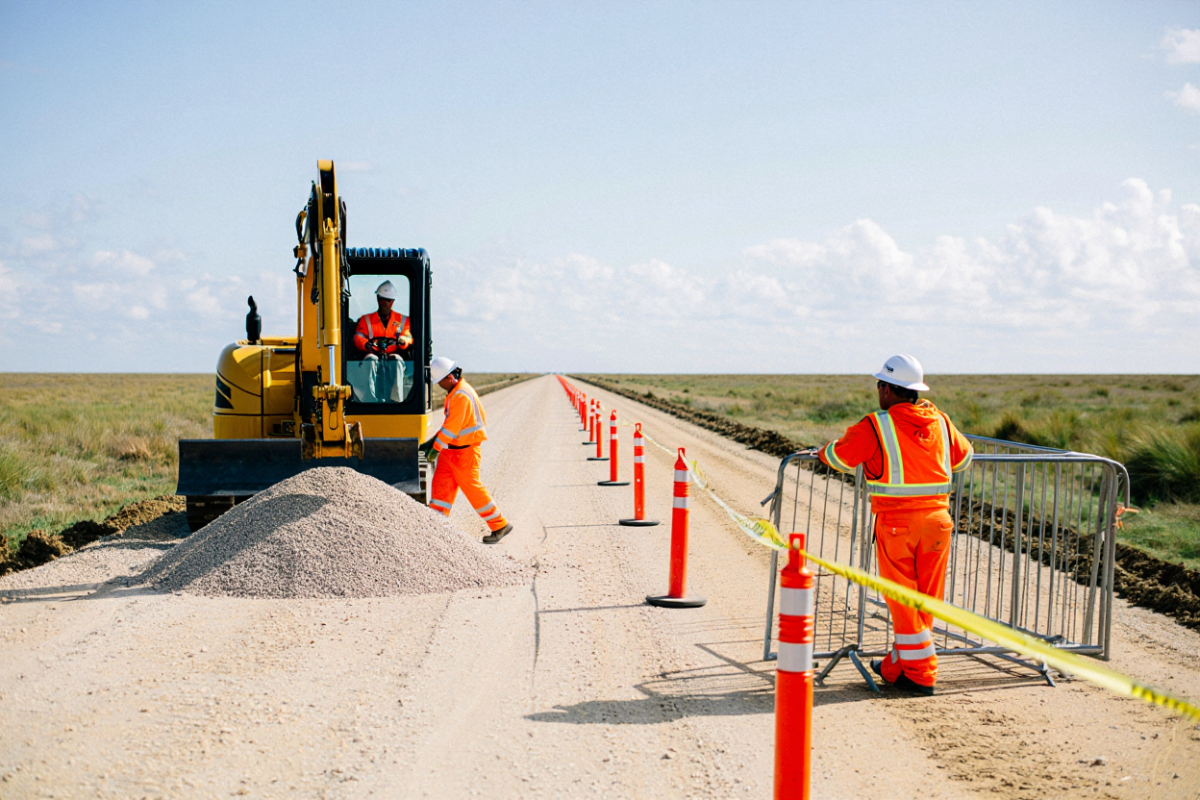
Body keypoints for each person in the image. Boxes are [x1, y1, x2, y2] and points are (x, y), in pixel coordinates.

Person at [817, 354, 973, 695]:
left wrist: (821, 451)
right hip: (938, 522)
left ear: (888, 389)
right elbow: (964, 458)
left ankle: (921, 673)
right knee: (924, 600)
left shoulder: (877, 424)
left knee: (902, 602)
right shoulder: (941, 421)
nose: (878, 391)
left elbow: (839, 458)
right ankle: (896, 667)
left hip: (897, 525)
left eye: (879, 385)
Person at [421, 357, 513, 544]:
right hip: (452, 451)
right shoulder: (456, 392)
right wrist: (433, 442)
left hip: (466, 451)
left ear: (449, 378)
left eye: (440, 382)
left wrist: (435, 448)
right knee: (441, 486)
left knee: (472, 488)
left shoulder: (461, 395)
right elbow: (448, 426)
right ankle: (435, 526)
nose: (439, 385)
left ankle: (500, 525)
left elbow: (451, 429)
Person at [351, 281, 412, 402]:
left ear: (393, 302)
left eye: (388, 300)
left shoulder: (403, 320)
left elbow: (408, 336)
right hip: (373, 354)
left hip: (391, 356)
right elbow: (358, 337)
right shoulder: (366, 320)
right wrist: (366, 344)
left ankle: (396, 400)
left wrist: (402, 341)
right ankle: (370, 399)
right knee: (370, 360)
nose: (385, 303)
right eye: (382, 299)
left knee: (397, 360)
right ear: (378, 299)